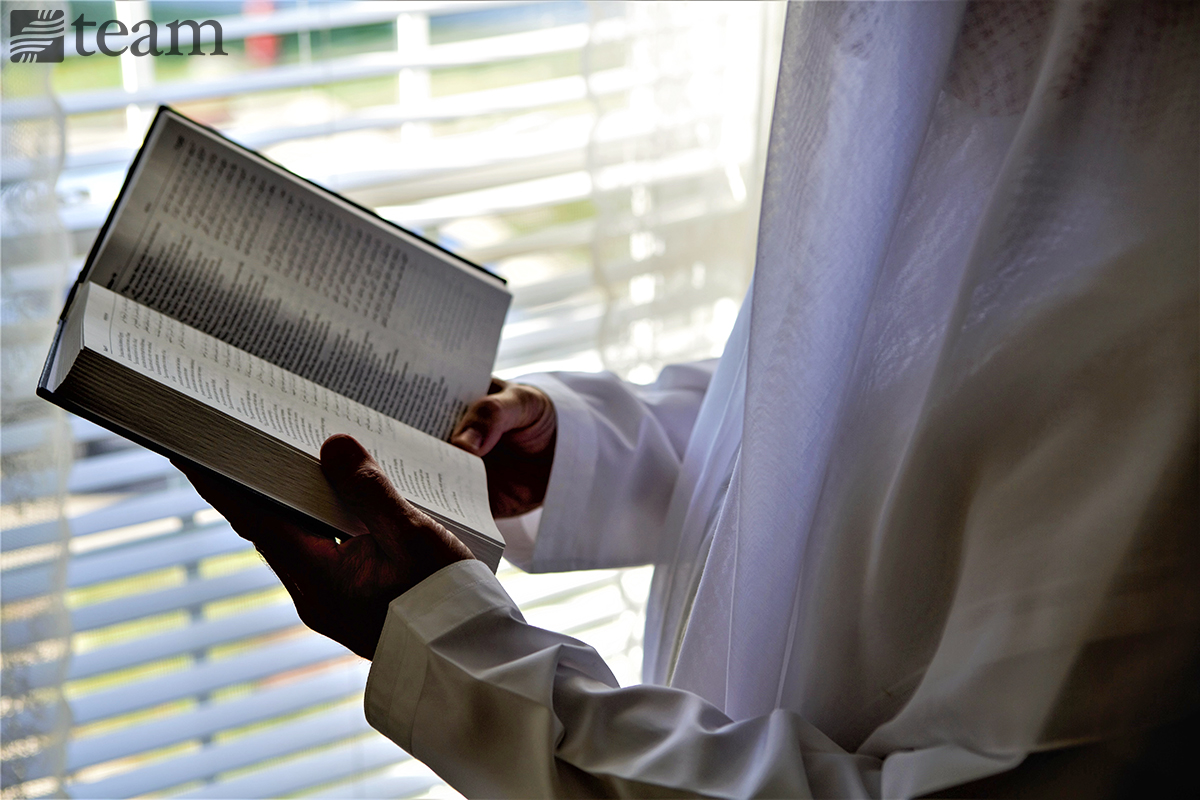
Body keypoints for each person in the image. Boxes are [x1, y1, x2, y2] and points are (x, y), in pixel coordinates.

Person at [179, 1, 1199, 797]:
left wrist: (450, 643)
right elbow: (860, 414)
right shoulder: (981, 154)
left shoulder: (1169, 328)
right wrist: (578, 453)